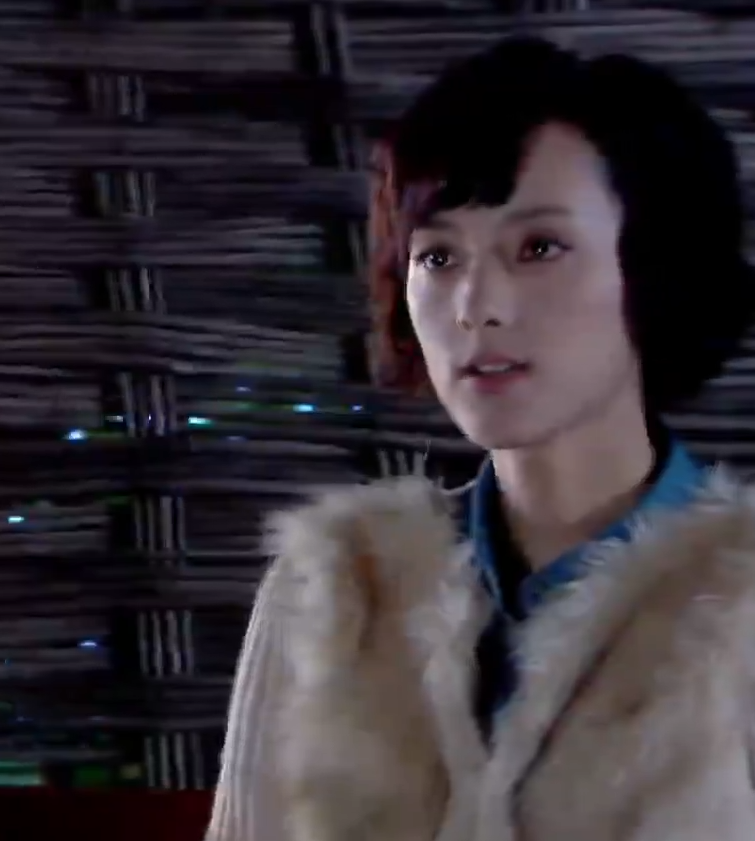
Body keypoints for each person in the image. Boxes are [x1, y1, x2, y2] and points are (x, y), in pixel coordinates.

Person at [207, 37, 755, 841]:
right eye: (437, 255)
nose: (475, 304)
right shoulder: (334, 588)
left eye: (538, 248)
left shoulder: (740, 596)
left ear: (653, 268)